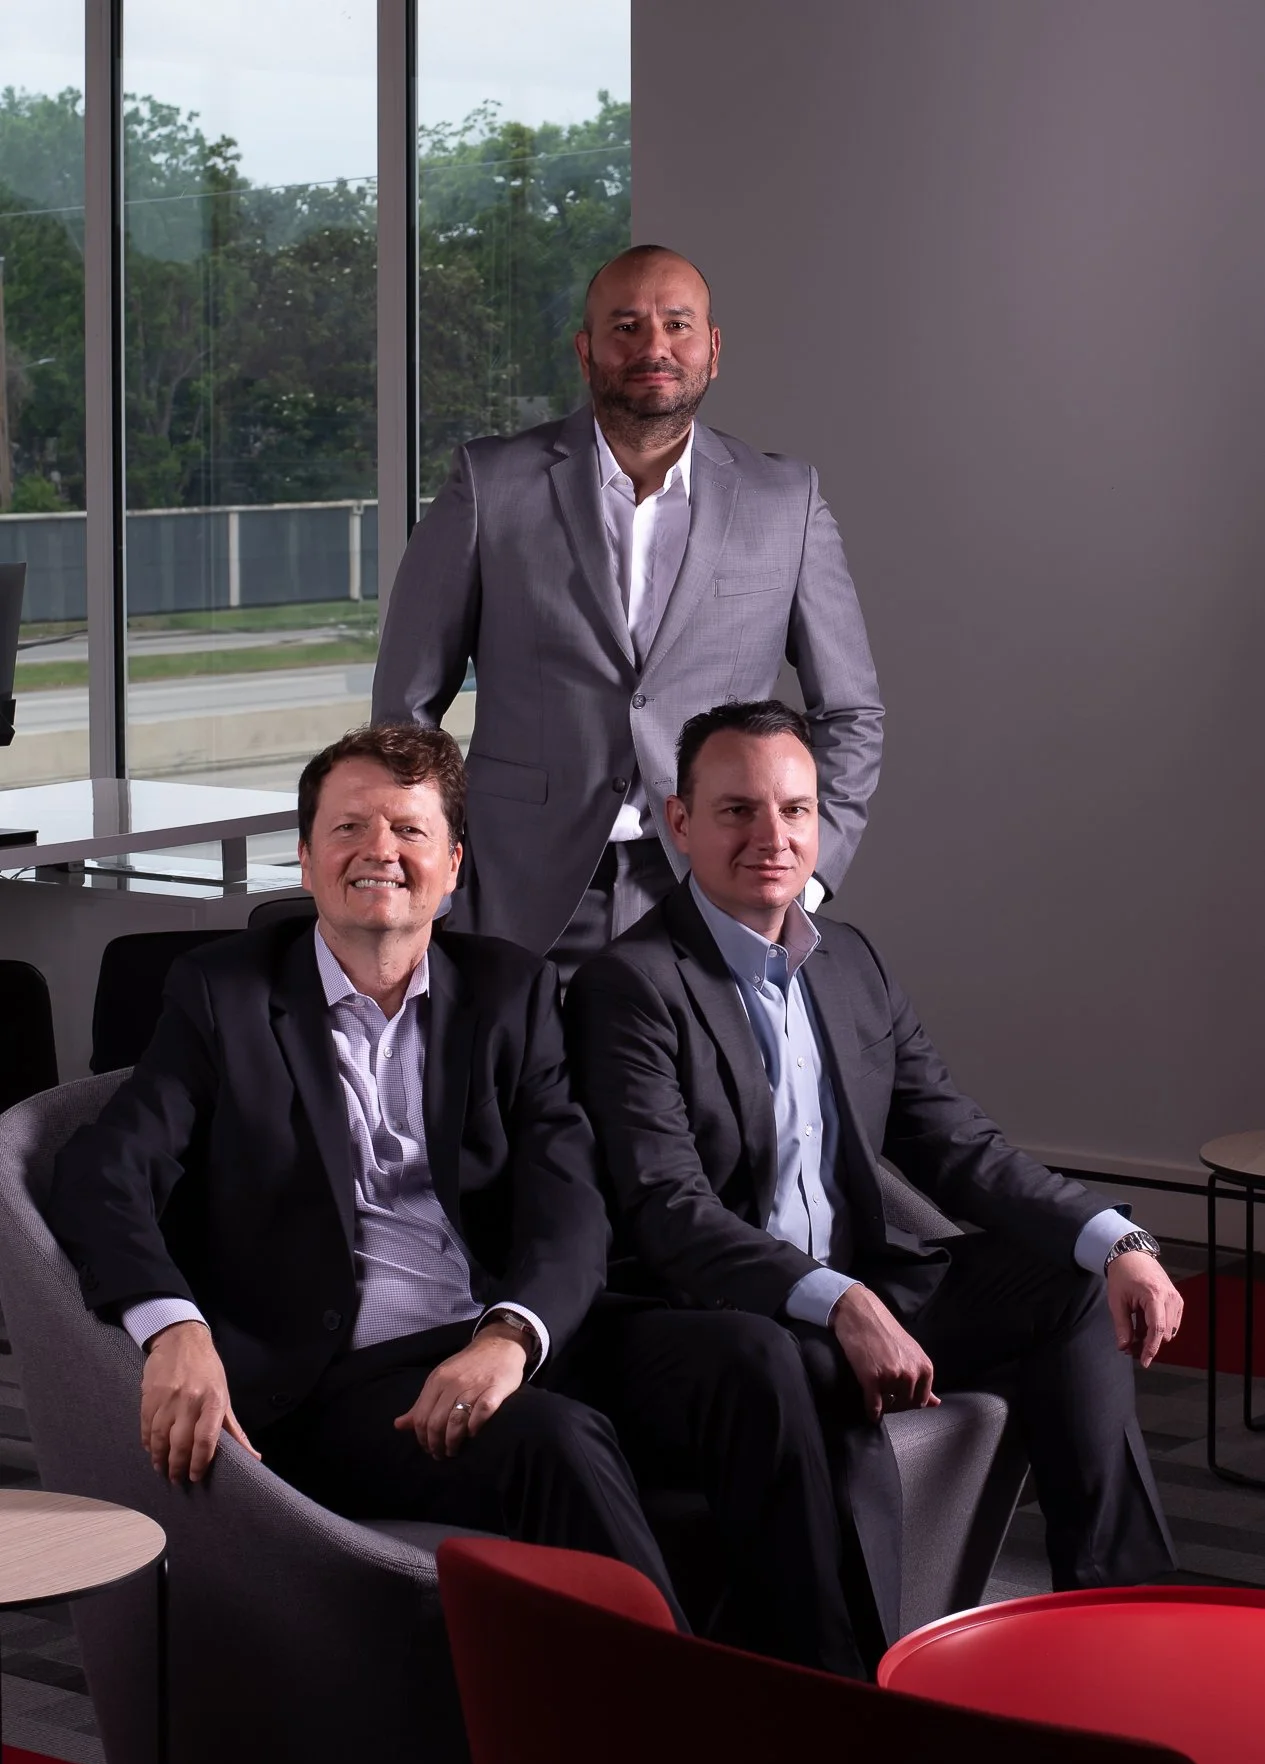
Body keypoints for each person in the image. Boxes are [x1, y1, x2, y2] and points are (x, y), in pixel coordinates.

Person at [566, 699, 1184, 1664]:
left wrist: (1120, 1240)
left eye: (794, 811)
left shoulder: (848, 962)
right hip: (718, 1313)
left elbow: (955, 1145)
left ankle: (1118, 1623)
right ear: (678, 821)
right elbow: (667, 1209)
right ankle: (848, 1685)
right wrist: (837, 1302)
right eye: (736, 811)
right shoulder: (630, 984)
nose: (770, 837)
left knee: (1070, 1288)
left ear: (821, 821)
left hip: (861, 1282)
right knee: (792, 1370)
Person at [45, 722, 684, 1609]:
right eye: (348, 828)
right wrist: (174, 1328)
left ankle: (827, 1684)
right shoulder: (221, 993)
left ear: (453, 866)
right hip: (335, 1379)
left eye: (409, 831)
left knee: (749, 1365)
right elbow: (101, 1172)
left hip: (494, 1332)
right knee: (558, 1445)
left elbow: (567, 1201)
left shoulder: (511, 992)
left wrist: (507, 1339)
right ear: (304, 861)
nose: (378, 851)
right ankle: (691, 1732)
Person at [372, 243, 883, 982]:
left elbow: (851, 711)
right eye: (626, 326)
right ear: (586, 351)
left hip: (715, 886)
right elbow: (405, 708)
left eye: (677, 325)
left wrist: (805, 874)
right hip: (520, 887)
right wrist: (437, 863)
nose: (653, 346)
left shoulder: (784, 501)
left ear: (712, 349)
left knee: (698, 1099)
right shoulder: (491, 486)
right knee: (521, 1097)